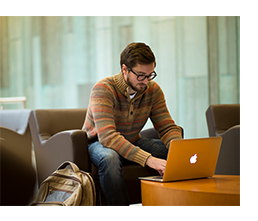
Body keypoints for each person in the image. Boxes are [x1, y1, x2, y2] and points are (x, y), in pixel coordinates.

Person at [82, 42, 182, 205]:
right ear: (125, 69)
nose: (146, 81)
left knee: (176, 155)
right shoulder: (103, 89)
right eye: (141, 75)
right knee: (110, 158)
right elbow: (108, 137)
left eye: (150, 75)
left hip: (131, 140)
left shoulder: (153, 90)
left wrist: (177, 147)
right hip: (98, 143)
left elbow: (167, 127)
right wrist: (149, 159)